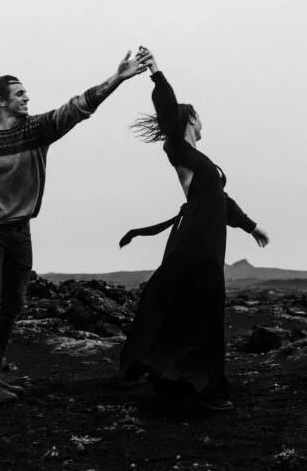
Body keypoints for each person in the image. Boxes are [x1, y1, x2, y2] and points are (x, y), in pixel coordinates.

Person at [0, 50, 151, 403]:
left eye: (27, 94)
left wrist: (117, 78)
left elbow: (78, 107)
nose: (27, 98)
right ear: (0, 100)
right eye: (20, 94)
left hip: (20, 230)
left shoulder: (38, 129)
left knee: (14, 302)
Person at [119, 46, 269, 411]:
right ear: (190, 120)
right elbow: (168, 112)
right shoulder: (179, 150)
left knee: (196, 306)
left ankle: (175, 378)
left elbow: (221, 199)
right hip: (198, 240)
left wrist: (250, 227)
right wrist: (156, 73)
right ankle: (200, 387)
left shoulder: (202, 161)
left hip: (207, 239)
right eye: (199, 118)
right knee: (202, 306)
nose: (204, 124)